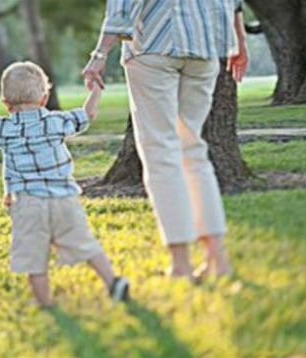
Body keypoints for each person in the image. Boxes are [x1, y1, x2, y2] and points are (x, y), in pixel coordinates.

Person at [83, 0, 249, 280]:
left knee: (161, 152)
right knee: (192, 149)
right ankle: (217, 259)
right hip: (204, 46)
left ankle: (181, 265)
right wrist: (239, 41)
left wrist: (100, 53)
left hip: (153, 44)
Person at [0, 62, 129, 307]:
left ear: (6, 103)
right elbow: (88, 114)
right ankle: (112, 282)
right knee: (84, 242)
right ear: (44, 98)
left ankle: (45, 303)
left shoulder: (4, 129)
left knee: (34, 256)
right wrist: (96, 89)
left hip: (27, 203)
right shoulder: (56, 122)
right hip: (64, 199)